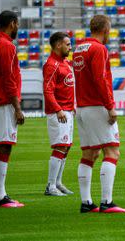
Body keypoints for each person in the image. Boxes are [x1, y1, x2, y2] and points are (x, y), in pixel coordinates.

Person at [73, 15, 125, 213]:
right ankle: (107, 202)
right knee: (112, 151)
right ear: (105, 29)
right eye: (109, 29)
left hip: (81, 107)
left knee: (89, 153)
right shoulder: (99, 49)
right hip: (97, 106)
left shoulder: (79, 48)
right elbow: (100, 79)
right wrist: (110, 106)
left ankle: (86, 202)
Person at [0, 10, 25, 208]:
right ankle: (0, 196)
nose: (18, 27)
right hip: (4, 102)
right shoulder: (7, 46)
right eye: (17, 24)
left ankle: (1, 195)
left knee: (5, 144)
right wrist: (17, 107)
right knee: (5, 144)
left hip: (0, 100)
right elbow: (9, 79)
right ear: (12, 23)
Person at [42, 31, 76, 196]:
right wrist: (58, 109)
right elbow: (48, 91)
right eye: (68, 44)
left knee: (66, 147)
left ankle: (58, 182)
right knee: (60, 146)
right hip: (59, 113)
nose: (70, 47)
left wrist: (72, 106)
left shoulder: (65, 63)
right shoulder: (51, 65)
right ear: (58, 45)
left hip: (68, 111)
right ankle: (50, 186)